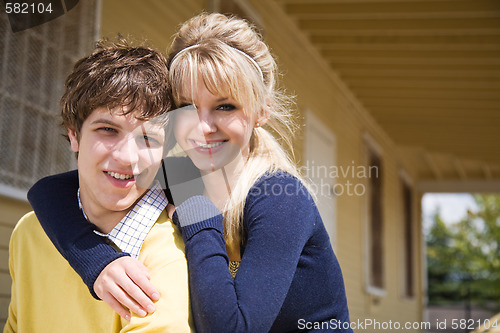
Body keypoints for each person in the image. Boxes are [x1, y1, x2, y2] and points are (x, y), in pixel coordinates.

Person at [27, 13, 352, 332]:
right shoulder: (177, 168)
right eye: (187, 107)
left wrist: (197, 211)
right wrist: (98, 262)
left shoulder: (279, 198)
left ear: (261, 110)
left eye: (226, 106)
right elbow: (49, 192)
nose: (203, 126)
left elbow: (233, 327)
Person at [4, 39, 194, 332]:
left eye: (148, 139)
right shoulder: (28, 232)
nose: (125, 157)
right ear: (74, 135)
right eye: (108, 130)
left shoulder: (169, 250)